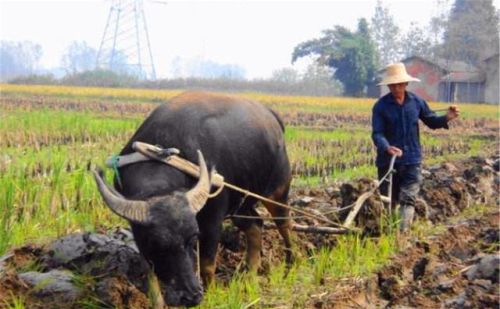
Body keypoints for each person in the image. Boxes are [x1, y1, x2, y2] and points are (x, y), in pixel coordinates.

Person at [372, 62, 460, 232]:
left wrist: (447, 117)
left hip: (412, 158)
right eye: (392, 85)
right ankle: (388, 232)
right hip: (388, 161)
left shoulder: (416, 102)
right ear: (388, 85)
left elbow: (431, 121)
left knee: (408, 198)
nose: (396, 88)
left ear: (406, 84)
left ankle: (403, 234)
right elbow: (377, 133)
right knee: (388, 198)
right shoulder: (381, 106)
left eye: (399, 84)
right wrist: (387, 147)